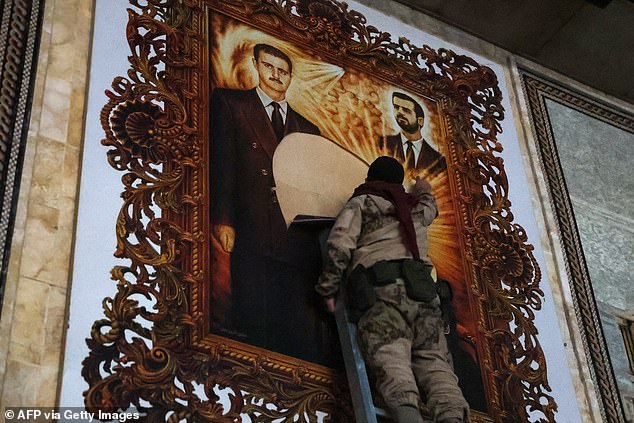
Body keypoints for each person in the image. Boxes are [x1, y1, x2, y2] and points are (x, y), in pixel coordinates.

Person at [316, 156, 468, 423]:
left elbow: (339, 246)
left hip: (385, 296)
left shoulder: (364, 202)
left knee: (392, 361)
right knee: (437, 368)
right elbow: (429, 204)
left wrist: (328, 289)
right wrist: (422, 189)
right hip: (425, 299)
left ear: (370, 179)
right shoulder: (417, 211)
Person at [210, 43, 321, 354]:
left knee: (292, 321)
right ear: (256, 66)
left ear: (290, 78)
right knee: (252, 313)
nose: (276, 75)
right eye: (269, 67)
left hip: (294, 239)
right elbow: (222, 165)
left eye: (283, 71)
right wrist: (223, 219)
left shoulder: (308, 128)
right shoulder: (230, 103)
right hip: (250, 226)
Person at [379, 92, 446, 173]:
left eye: (406, 110)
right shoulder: (383, 143)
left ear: (420, 121)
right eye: (396, 107)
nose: (399, 112)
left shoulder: (437, 159)